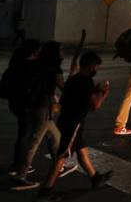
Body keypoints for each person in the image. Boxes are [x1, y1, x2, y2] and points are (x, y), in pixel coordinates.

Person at [37, 52, 112, 202]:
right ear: (91, 66)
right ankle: (45, 192)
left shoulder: (73, 79)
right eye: (96, 66)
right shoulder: (86, 82)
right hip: (73, 124)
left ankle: (95, 178)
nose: (97, 69)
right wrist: (103, 93)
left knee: (82, 150)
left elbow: (65, 99)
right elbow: (95, 105)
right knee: (61, 157)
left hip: (66, 120)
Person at [11, 41, 80, 190]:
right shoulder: (55, 69)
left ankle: (59, 164)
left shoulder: (37, 64)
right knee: (34, 141)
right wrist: (74, 74)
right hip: (43, 107)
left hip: (32, 105)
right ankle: (21, 175)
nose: (63, 54)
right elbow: (66, 89)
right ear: (55, 54)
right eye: (61, 51)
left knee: (55, 137)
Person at [2, 39, 39, 178]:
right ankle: (20, 166)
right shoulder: (31, 66)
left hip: (15, 103)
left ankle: (18, 164)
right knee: (26, 135)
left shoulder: (16, 61)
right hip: (26, 105)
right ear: (34, 52)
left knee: (23, 134)